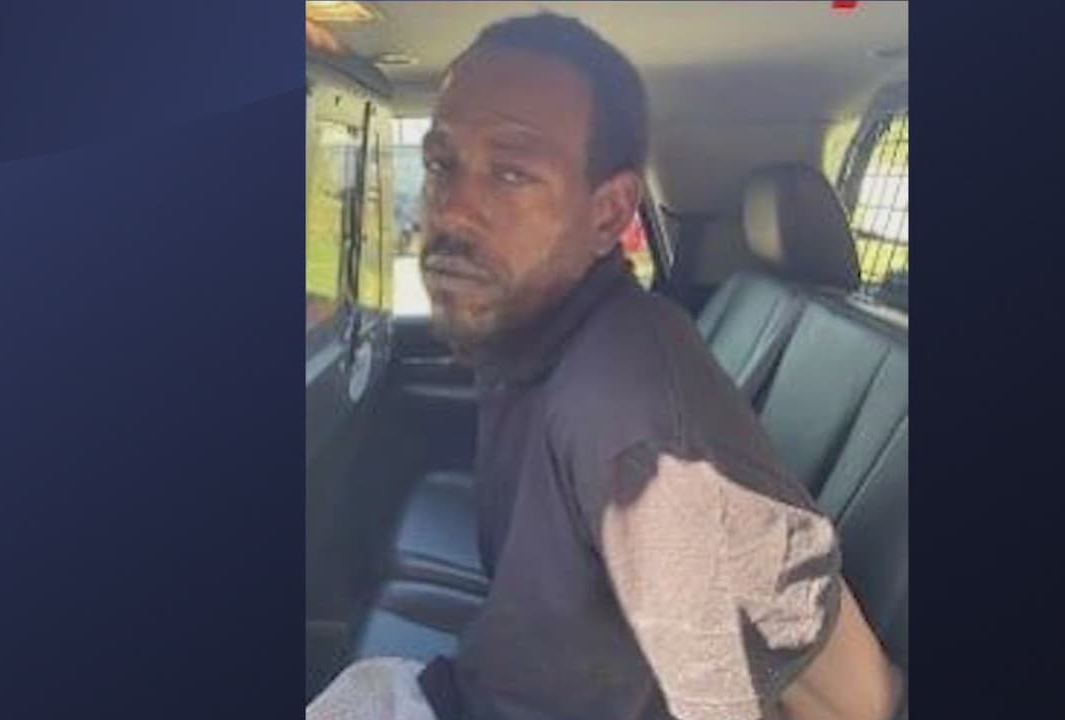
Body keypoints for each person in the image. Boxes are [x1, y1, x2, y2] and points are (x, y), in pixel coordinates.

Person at [308, 13, 903, 720]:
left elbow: (855, 703)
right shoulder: (535, 331)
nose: (452, 212)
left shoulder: (637, 431)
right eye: (442, 164)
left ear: (608, 211)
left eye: (511, 172)